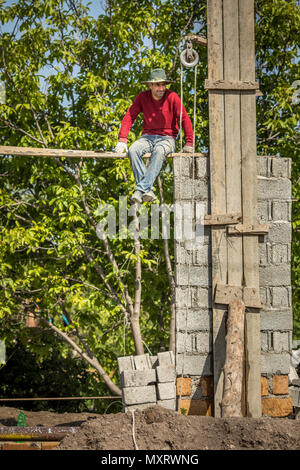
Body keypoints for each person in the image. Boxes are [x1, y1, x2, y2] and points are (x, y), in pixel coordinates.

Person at [114, 68, 194, 203]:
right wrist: (122, 140)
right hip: (147, 137)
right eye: (158, 85)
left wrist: (189, 143)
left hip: (167, 138)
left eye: (163, 84)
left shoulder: (172, 97)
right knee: (133, 150)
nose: (161, 88)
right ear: (150, 85)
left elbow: (184, 118)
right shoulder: (142, 97)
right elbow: (129, 116)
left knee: (159, 151)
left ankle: (140, 189)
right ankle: (146, 190)